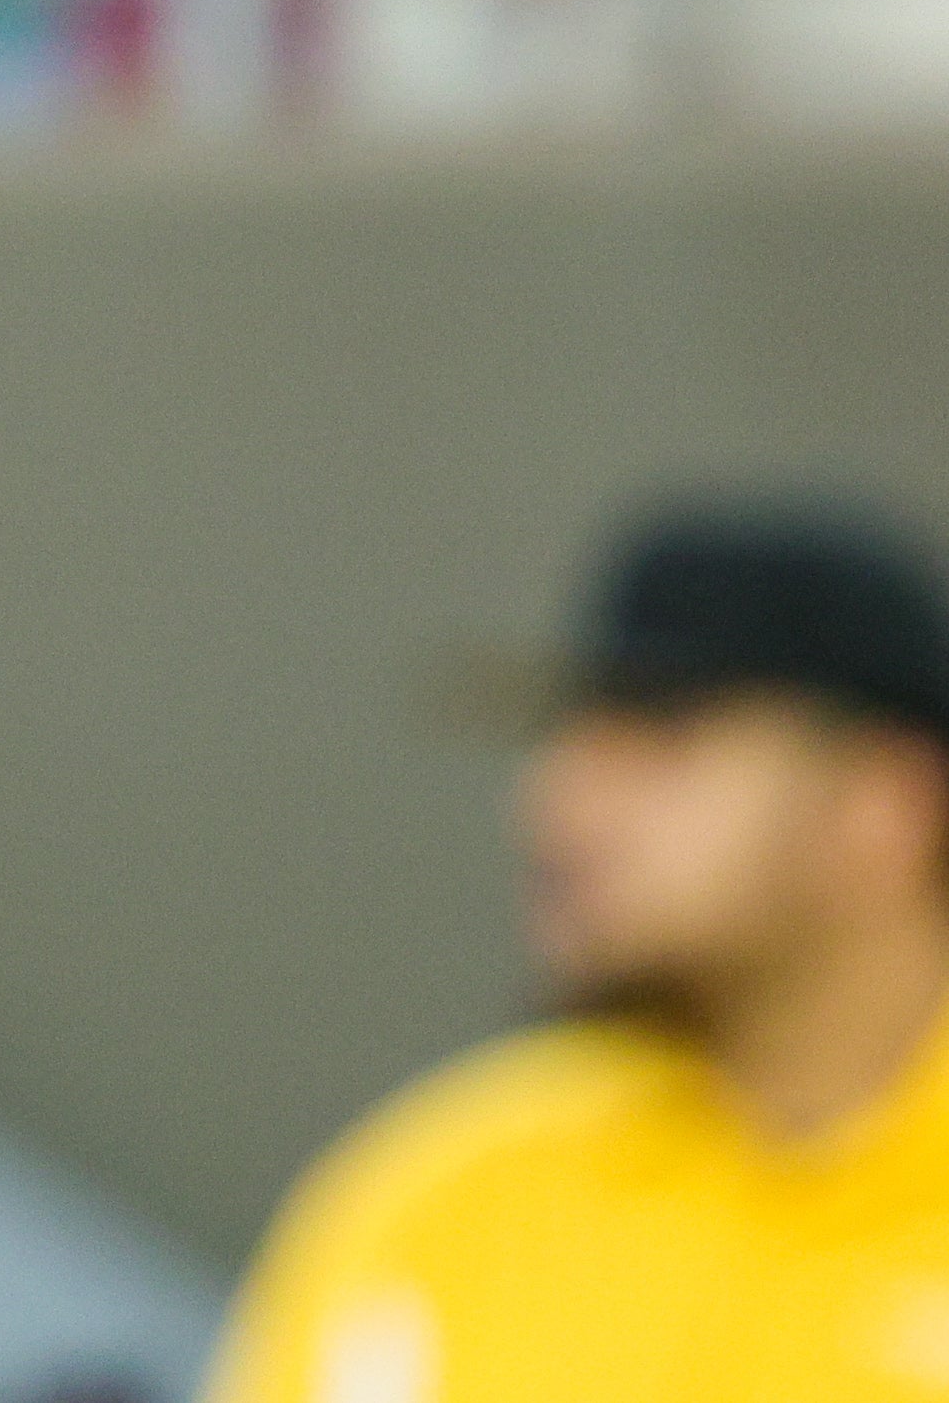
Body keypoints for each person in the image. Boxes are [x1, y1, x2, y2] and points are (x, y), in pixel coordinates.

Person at [207, 495, 949, 1402]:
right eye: (567, 741)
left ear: (884, 806)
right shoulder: (452, 1192)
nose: (558, 803)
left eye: (663, 739)